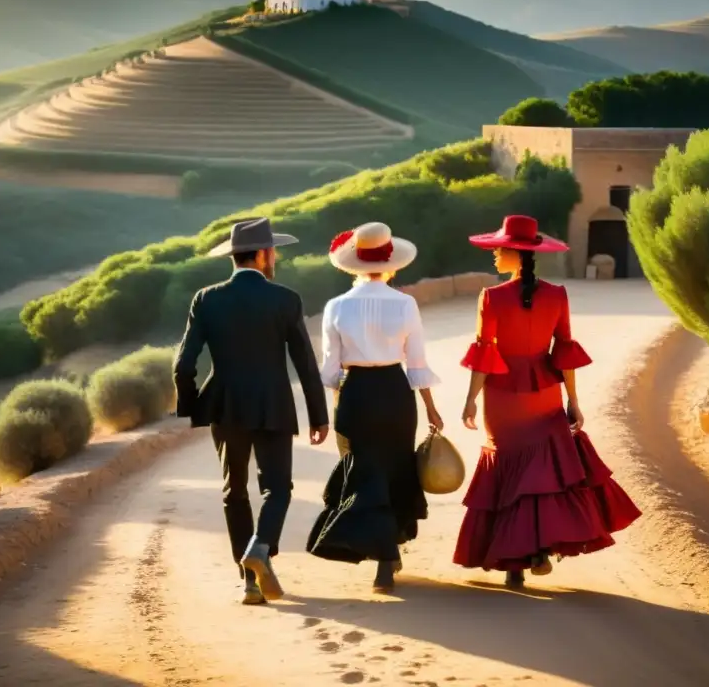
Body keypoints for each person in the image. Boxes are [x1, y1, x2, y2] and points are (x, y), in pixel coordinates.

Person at [452, 215, 641, 588]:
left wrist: (470, 399)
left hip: (503, 399)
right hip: (545, 395)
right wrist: (573, 400)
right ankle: (537, 550)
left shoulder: (490, 297)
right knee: (539, 475)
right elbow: (565, 352)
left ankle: (515, 566)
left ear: (513, 252)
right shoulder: (557, 295)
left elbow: (484, 353)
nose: (494, 255)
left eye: (499, 249)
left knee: (508, 471)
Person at [173, 217, 330, 606]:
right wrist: (318, 416)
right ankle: (260, 548)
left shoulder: (206, 299)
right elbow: (306, 364)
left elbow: (183, 365)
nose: (274, 256)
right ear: (261, 255)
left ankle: (249, 583)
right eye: (273, 250)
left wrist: (193, 406)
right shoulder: (286, 300)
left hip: (224, 405)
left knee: (234, 491)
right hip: (273, 403)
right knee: (278, 489)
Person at [306, 222, 443, 594]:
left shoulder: (335, 306)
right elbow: (416, 364)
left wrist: (340, 397)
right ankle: (387, 558)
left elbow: (330, 370)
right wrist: (431, 408)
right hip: (396, 394)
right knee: (395, 469)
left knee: (364, 473)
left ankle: (381, 554)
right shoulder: (405, 304)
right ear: (391, 263)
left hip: (355, 396)